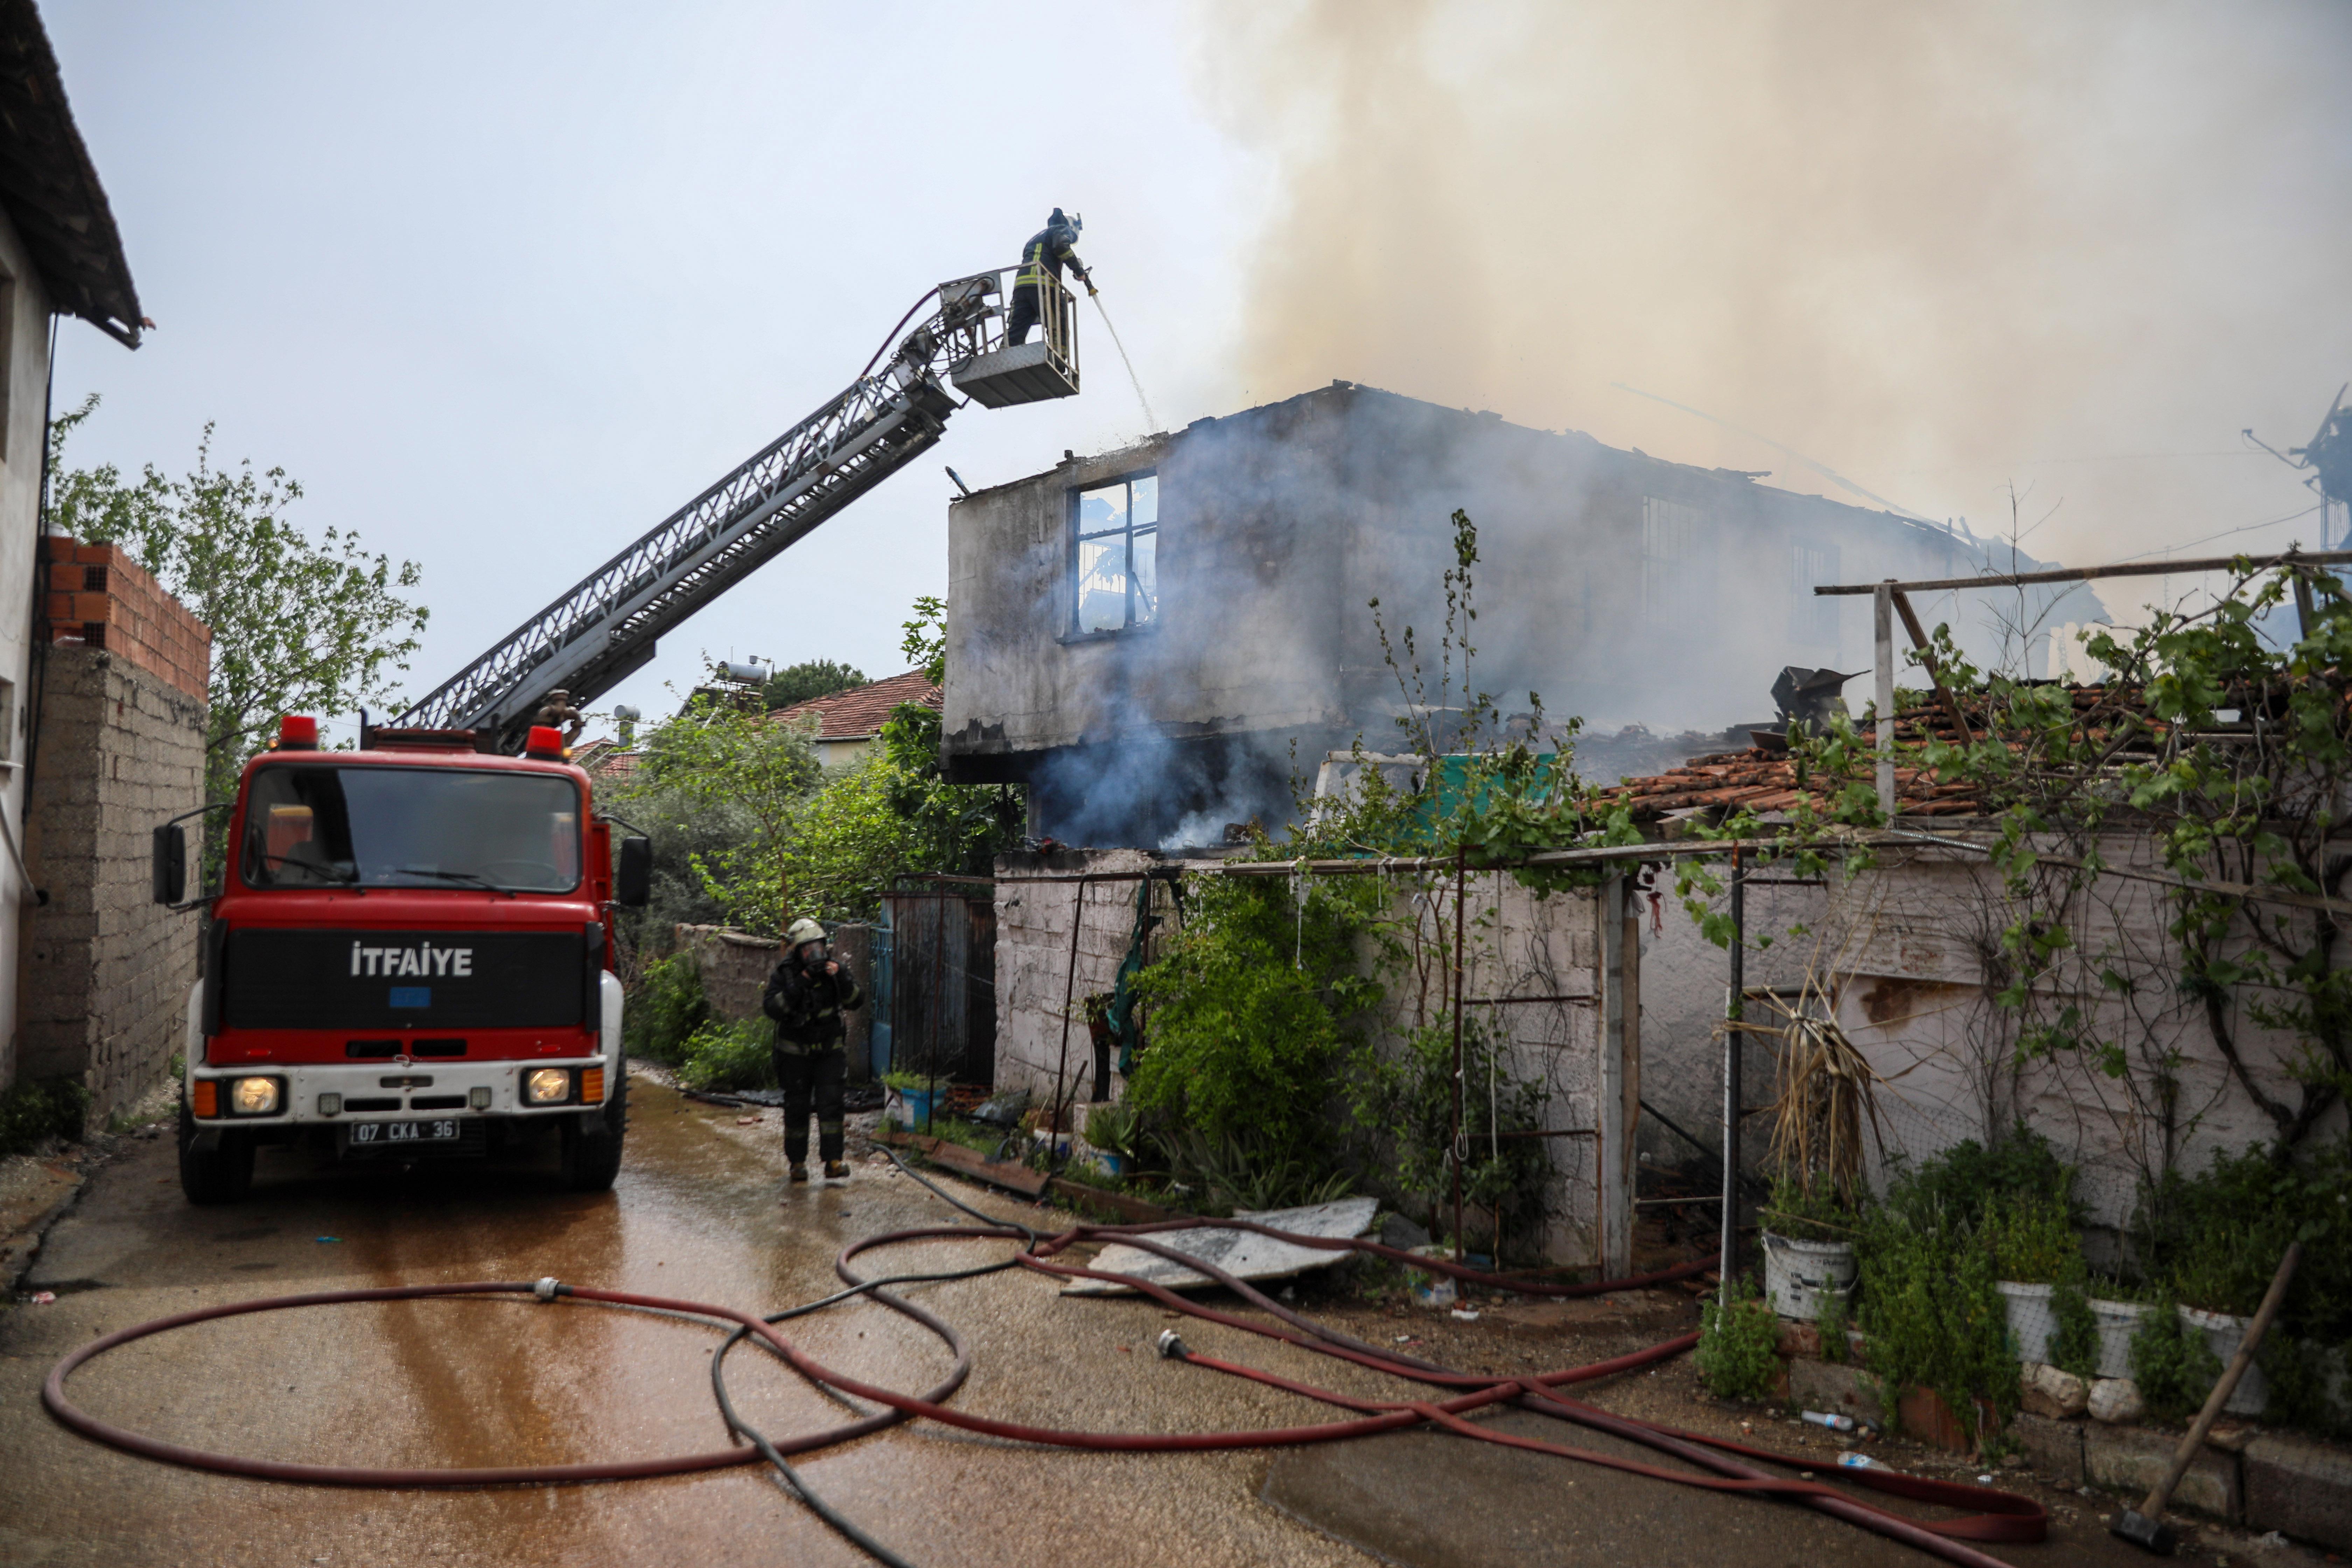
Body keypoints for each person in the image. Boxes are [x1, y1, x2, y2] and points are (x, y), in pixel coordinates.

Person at [762, 917, 863, 1184]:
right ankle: (797, 1164)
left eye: (817, 946)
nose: (814, 953)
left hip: (829, 1052)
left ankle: (833, 1162)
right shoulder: (785, 974)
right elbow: (773, 1008)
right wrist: (801, 984)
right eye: (807, 949)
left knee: (832, 1106)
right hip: (795, 1056)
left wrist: (840, 975)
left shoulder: (835, 972)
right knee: (797, 1108)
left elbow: (856, 1001)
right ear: (797, 951)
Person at [1007, 207, 1093, 348]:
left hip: (1021, 288)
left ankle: (1006, 356)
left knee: (1016, 329)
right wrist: (1079, 271)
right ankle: (1059, 361)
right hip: (1044, 286)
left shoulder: (1035, 239)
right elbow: (1061, 248)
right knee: (1058, 325)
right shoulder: (1061, 230)